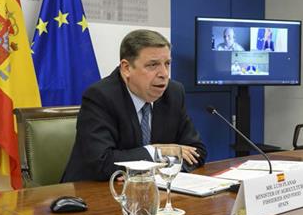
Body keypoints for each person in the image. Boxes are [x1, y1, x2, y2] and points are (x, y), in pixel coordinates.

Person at [62, 30, 207, 182]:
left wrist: (153, 171)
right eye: (153, 65)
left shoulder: (174, 93)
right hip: (89, 193)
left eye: (167, 64)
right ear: (126, 68)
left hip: (151, 192)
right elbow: (102, 162)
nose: (164, 73)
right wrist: (156, 151)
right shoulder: (100, 96)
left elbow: (197, 152)